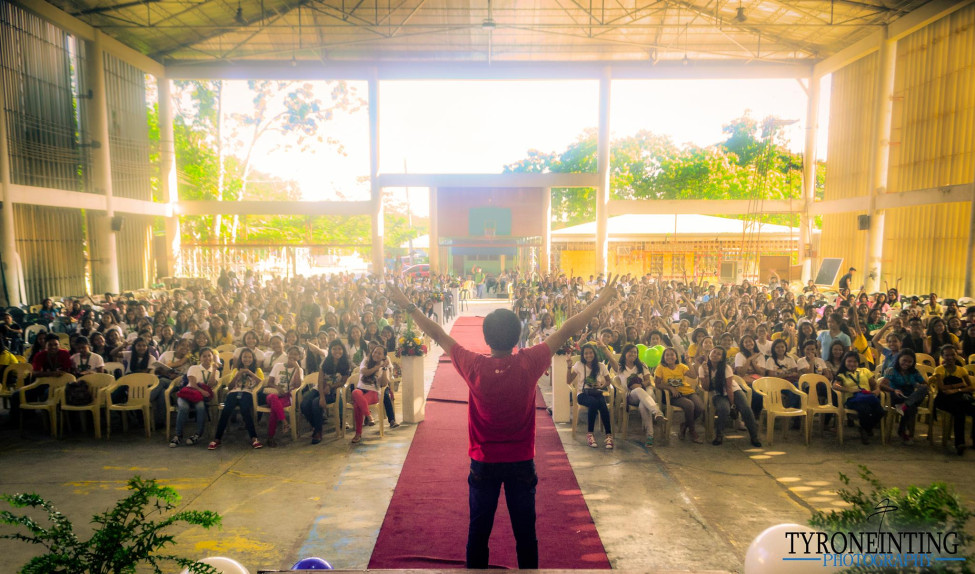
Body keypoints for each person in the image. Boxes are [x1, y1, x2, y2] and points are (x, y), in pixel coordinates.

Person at [384, 273, 620, 570]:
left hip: (483, 462)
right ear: (516, 335)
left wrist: (407, 304)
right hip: (521, 462)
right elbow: (568, 328)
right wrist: (601, 300)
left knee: (478, 533)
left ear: (486, 337)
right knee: (526, 535)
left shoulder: (474, 366)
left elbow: (438, 334)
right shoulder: (529, 361)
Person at [699, 346, 762, 447]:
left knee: (746, 408)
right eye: (713, 352)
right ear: (709, 354)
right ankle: (719, 435)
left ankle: (754, 436)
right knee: (723, 409)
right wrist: (706, 373)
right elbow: (706, 388)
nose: (715, 355)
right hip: (717, 393)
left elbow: (729, 388)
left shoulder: (726, 368)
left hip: (733, 390)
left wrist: (733, 405)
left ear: (722, 358)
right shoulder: (703, 368)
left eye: (719, 354)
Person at [209, 348, 265, 450]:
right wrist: (238, 375)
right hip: (233, 393)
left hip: (248, 393)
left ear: (253, 359)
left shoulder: (257, 370)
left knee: (245, 410)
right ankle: (217, 439)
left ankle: (254, 438)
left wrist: (250, 373)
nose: (247, 359)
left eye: (249, 357)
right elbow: (230, 387)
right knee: (226, 410)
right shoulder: (235, 370)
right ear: (241, 359)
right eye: (244, 357)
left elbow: (262, 384)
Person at [301, 339, 350, 444]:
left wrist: (331, 386)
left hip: (334, 391)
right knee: (304, 403)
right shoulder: (325, 362)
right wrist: (322, 396)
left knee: (315, 403)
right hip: (320, 387)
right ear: (330, 350)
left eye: (339, 349)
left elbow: (343, 382)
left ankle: (318, 432)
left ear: (343, 350)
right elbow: (320, 380)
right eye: (334, 349)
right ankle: (315, 425)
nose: (337, 351)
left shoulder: (346, 363)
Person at [616, 343, 666, 447]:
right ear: (625, 353)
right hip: (631, 395)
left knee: (643, 406)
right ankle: (657, 411)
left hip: (646, 391)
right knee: (638, 390)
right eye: (630, 352)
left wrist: (641, 384)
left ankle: (650, 436)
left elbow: (648, 381)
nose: (633, 354)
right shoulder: (620, 367)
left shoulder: (642, 365)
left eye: (635, 352)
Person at [567, 343, 615, 449]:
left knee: (602, 403)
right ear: (583, 355)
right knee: (594, 402)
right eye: (586, 353)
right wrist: (569, 366)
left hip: (596, 392)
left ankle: (608, 435)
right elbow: (568, 380)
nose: (588, 355)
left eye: (590, 353)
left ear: (594, 353)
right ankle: (590, 434)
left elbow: (608, 381)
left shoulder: (601, 366)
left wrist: (602, 385)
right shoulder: (579, 365)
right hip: (582, 394)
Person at [832, 351, 884, 444]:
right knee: (865, 410)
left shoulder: (865, 371)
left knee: (880, 411)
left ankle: (865, 428)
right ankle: (865, 430)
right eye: (849, 361)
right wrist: (850, 389)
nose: (852, 364)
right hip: (852, 399)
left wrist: (877, 390)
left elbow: (874, 385)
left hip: (868, 397)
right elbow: (835, 386)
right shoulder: (842, 375)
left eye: (855, 361)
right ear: (845, 362)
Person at [170, 347, 218, 447]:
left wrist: (213, 371)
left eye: (209, 355)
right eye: (204, 356)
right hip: (188, 394)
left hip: (199, 397)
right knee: (183, 408)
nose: (207, 358)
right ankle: (178, 435)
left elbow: (210, 384)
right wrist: (202, 391)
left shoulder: (216, 371)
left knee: (201, 407)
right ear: (200, 358)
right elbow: (192, 383)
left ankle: (197, 434)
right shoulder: (194, 368)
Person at [878, 348, 928, 444]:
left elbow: (925, 384)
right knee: (911, 408)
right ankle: (902, 431)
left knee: (924, 389)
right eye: (904, 360)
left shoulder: (914, 372)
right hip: (897, 395)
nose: (906, 363)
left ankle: (905, 405)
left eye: (910, 361)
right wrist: (894, 390)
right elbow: (882, 385)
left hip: (910, 396)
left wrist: (918, 385)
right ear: (899, 359)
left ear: (913, 362)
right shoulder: (891, 370)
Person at [931, 345, 975, 455]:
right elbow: (943, 388)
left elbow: (971, 387)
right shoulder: (939, 369)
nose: (950, 357)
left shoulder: (962, 370)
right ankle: (959, 443)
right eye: (947, 355)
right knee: (959, 413)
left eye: (952, 354)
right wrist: (960, 385)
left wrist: (956, 389)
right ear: (942, 356)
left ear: (956, 355)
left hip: (958, 397)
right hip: (944, 399)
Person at [654, 347, 704, 443]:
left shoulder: (681, 366)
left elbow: (694, 376)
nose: (670, 357)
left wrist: (688, 361)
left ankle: (685, 425)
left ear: (676, 357)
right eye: (667, 355)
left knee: (700, 407)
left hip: (688, 391)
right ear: (664, 357)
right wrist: (671, 388)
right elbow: (657, 384)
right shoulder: (660, 368)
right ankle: (692, 431)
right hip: (673, 395)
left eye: (672, 355)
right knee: (689, 405)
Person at [263, 346, 304, 447]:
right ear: (287, 354)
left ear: (299, 357)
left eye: (296, 354)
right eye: (291, 353)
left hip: (286, 397)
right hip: (273, 394)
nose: (293, 356)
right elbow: (270, 382)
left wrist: (297, 368)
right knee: (273, 398)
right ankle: (285, 421)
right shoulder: (278, 366)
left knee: (274, 410)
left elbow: (298, 385)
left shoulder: (299, 370)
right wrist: (278, 388)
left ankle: (270, 437)